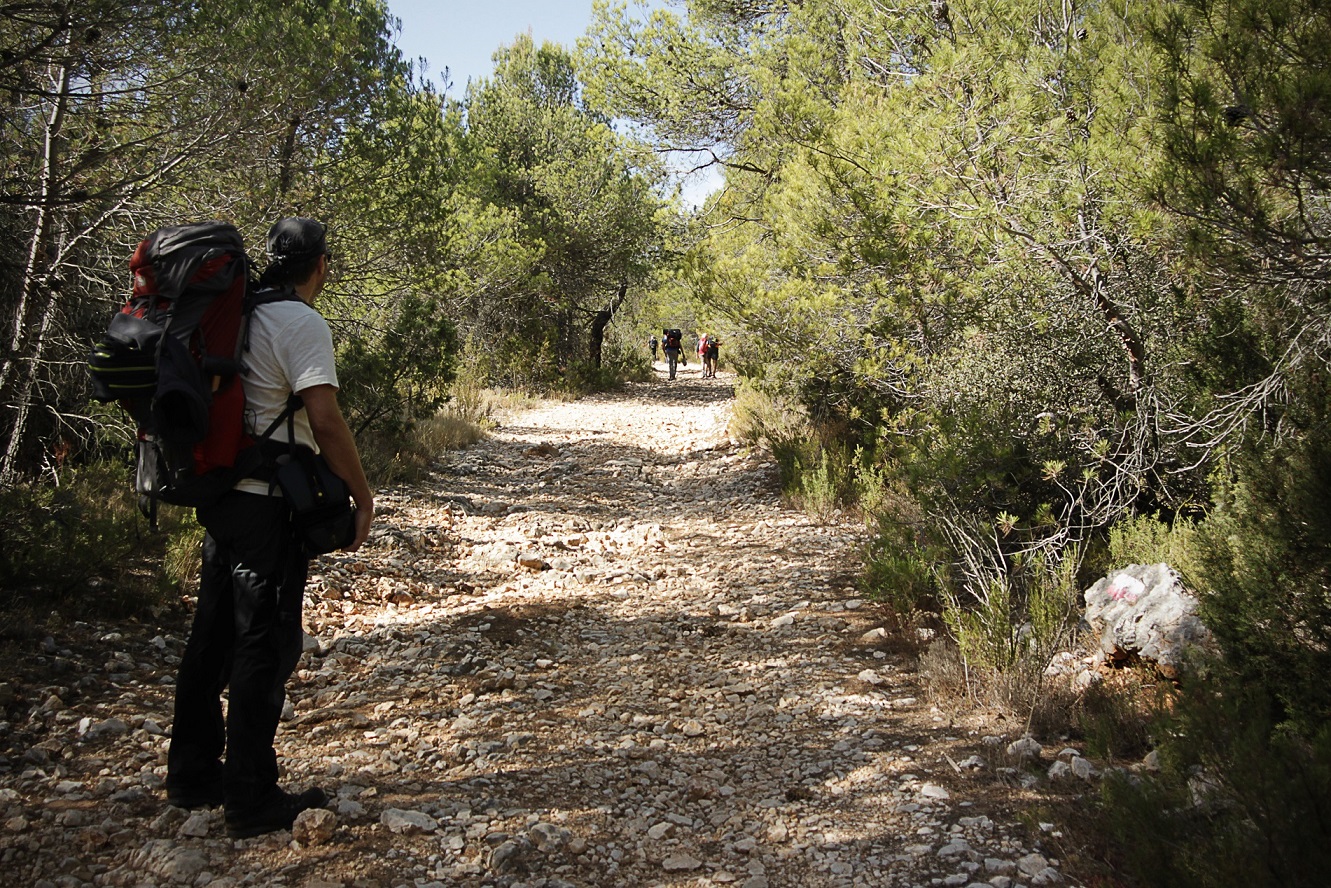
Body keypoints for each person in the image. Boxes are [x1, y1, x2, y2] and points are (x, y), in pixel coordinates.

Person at [164, 218, 375, 839]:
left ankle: (191, 774)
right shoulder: (301, 323)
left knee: (211, 635)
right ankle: (251, 797)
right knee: (264, 643)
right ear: (321, 265)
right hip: (266, 506)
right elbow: (325, 419)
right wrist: (360, 496)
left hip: (222, 495)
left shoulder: (238, 312)